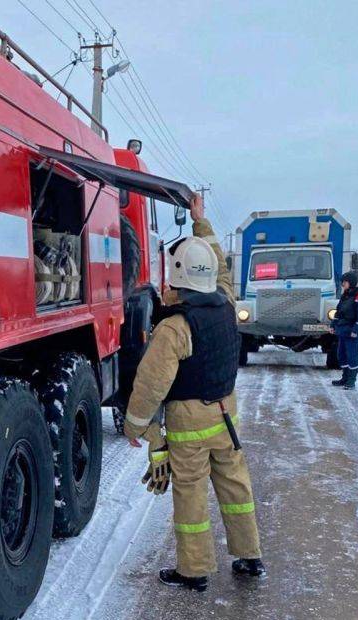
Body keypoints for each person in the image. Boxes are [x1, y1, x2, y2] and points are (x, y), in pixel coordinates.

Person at [123, 195, 264, 593]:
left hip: (189, 423)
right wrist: (200, 222)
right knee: (236, 486)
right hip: (226, 415)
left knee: (190, 494)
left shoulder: (175, 328)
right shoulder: (225, 302)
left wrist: (136, 426)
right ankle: (249, 555)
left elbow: (152, 384)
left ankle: (194, 570)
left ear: (176, 278)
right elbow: (218, 264)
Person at [330, 272, 358, 390]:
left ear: (350, 282)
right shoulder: (345, 295)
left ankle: (351, 381)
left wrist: (356, 329)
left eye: (344, 282)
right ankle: (345, 377)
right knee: (341, 355)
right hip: (342, 329)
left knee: (352, 355)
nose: (342, 284)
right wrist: (333, 324)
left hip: (352, 330)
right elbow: (338, 311)